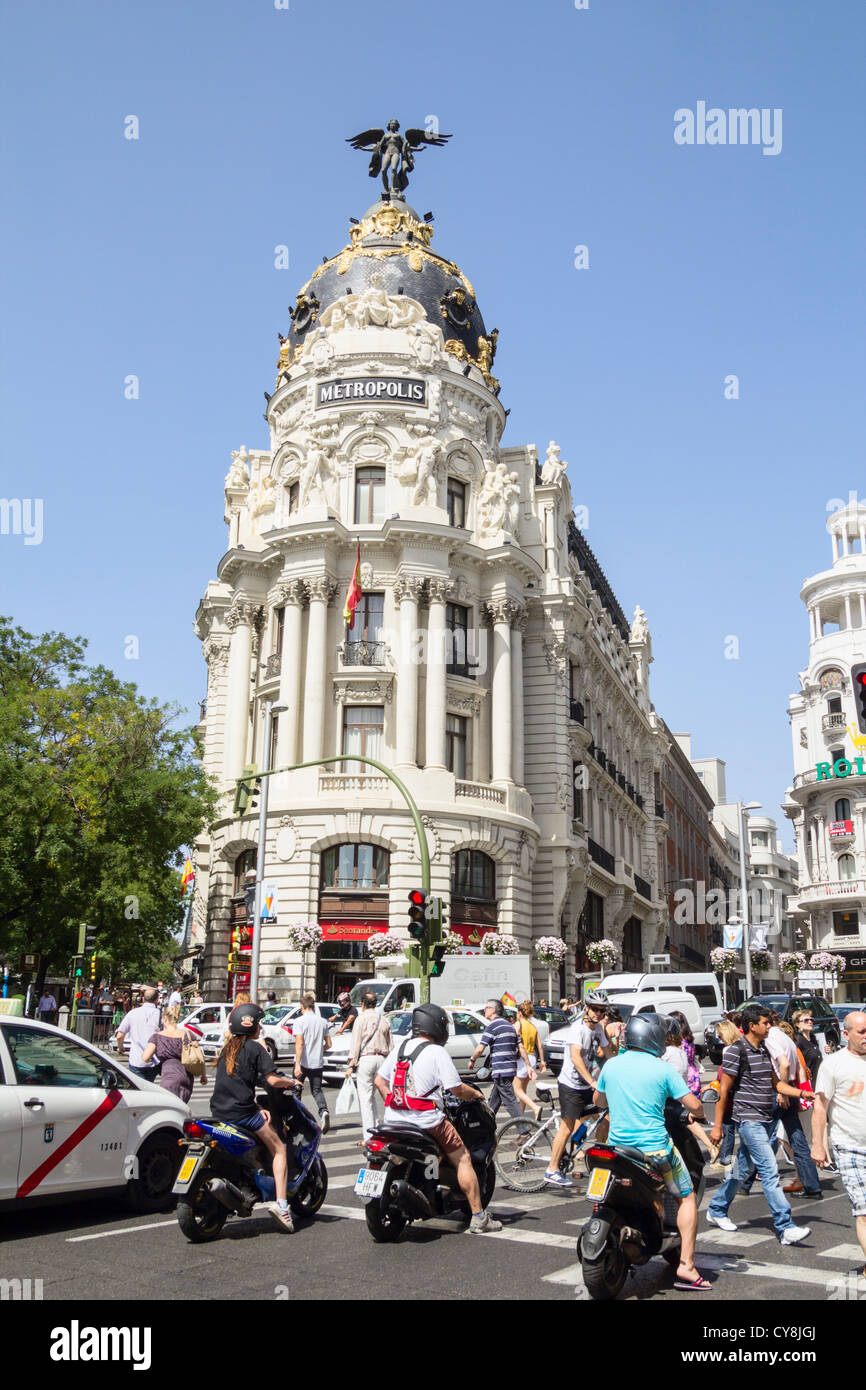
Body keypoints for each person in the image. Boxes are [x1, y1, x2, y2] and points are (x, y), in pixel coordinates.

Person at [593, 1012, 710, 1290]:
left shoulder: (612, 1065)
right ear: (655, 1038)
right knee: (687, 1197)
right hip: (655, 1151)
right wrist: (702, 1111)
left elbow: (598, 1100)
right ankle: (687, 1266)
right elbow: (692, 1105)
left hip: (616, 1148)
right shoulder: (663, 1069)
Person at [374, 1003, 502, 1234]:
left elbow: (379, 1082)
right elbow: (455, 1089)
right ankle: (479, 1218)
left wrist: (397, 1103)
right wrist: (477, 1094)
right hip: (426, 1121)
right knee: (463, 1158)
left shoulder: (401, 1047)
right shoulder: (436, 1052)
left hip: (393, 1120)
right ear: (437, 1026)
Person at [707, 1004, 814, 1245]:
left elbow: (776, 1084)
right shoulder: (736, 1051)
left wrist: (801, 1093)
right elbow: (723, 1091)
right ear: (752, 1025)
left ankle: (717, 1207)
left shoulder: (764, 1049)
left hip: (767, 1119)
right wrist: (716, 1128)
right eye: (765, 1023)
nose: (769, 1027)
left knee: (742, 1169)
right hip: (748, 1119)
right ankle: (785, 1226)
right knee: (769, 1170)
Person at [211, 1003, 298, 1232]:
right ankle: (281, 1205)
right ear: (252, 1026)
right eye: (258, 1022)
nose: (261, 1026)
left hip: (219, 1112)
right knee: (279, 1148)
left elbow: (237, 1084)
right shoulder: (256, 1048)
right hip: (242, 1115)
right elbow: (271, 1080)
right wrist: (292, 1082)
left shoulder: (227, 1048)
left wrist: (258, 1107)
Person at [811, 1011, 866, 1284]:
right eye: (861, 1032)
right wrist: (817, 1144)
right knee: (864, 1211)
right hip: (849, 1146)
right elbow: (820, 1106)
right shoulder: (833, 1064)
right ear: (846, 1034)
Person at [543, 989, 614, 1188]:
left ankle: (577, 1153)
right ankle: (552, 1169)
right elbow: (575, 1058)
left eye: (602, 1010)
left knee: (602, 1116)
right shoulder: (578, 1029)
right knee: (567, 1126)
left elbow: (608, 1053)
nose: (598, 1013)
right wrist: (592, 1082)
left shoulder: (598, 1029)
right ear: (587, 1008)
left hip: (585, 1085)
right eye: (595, 1009)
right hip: (571, 1085)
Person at [764, 1012, 822, 1197]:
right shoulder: (785, 1037)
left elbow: (785, 1063)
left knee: (762, 1137)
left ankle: (744, 1181)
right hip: (789, 1089)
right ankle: (812, 1184)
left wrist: (782, 1091)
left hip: (779, 1090)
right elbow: (796, 1065)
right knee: (797, 1139)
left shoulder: (772, 1037)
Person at [467, 999, 536, 1123]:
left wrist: (472, 1060)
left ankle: (524, 1130)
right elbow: (521, 1047)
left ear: (493, 1010)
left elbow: (480, 1048)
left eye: (487, 1007)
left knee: (510, 1102)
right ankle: (485, 1126)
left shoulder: (492, 1026)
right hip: (510, 1070)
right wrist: (528, 1065)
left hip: (501, 1071)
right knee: (493, 1102)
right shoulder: (510, 1026)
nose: (484, 1010)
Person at [345, 991, 393, 1141]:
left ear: (363, 1004)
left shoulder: (360, 1019)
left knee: (366, 1099)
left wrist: (351, 1064)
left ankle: (369, 1137)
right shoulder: (384, 1020)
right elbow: (391, 1045)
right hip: (383, 1060)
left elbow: (356, 1043)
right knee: (385, 1097)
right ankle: (384, 1129)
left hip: (366, 1059)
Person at [140, 1004, 207, 1103]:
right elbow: (198, 1055)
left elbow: (145, 1057)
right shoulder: (187, 1034)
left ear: (165, 1019)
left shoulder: (157, 1037)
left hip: (169, 1078)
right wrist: (203, 1075)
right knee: (181, 1108)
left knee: (170, 1110)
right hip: (186, 1077)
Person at [293, 994, 332, 1133]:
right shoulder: (322, 1021)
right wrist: (319, 1050)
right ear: (313, 1006)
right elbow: (329, 1044)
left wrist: (297, 1064)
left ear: (302, 1006)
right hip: (317, 1063)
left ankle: (297, 1119)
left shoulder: (299, 1021)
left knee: (296, 1091)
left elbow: (299, 1043)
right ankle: (324, 1112)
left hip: (303, 1062)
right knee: (317, 1090)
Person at [115, 987, 162, 1080]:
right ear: (157, 1000)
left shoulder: (133, 1013)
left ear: (143, 999)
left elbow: (120, 1035)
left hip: (137, 1059)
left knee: (139, 1090)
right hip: (154, 1059)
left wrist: (120, 1048)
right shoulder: (161, 1015)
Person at [513, 1000, 545, 1121]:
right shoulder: (533, 1026)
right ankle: (522, 1121)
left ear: (520, 1013)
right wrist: (542, 1061)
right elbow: (540, 1046)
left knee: (517, 1090)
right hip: (532, 1057)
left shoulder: (518, 1024)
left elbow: (514, 1042)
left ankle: (535, 1107)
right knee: (523, 1091)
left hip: (522, 1059)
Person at [793, 1008, 823, 1089]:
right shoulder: (798, 1041)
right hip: (807, 1085)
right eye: (806, 1020)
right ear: (797, 1024)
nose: (810, 1022)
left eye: (811, 1020)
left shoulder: (813, 1038)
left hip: (819, 1082)